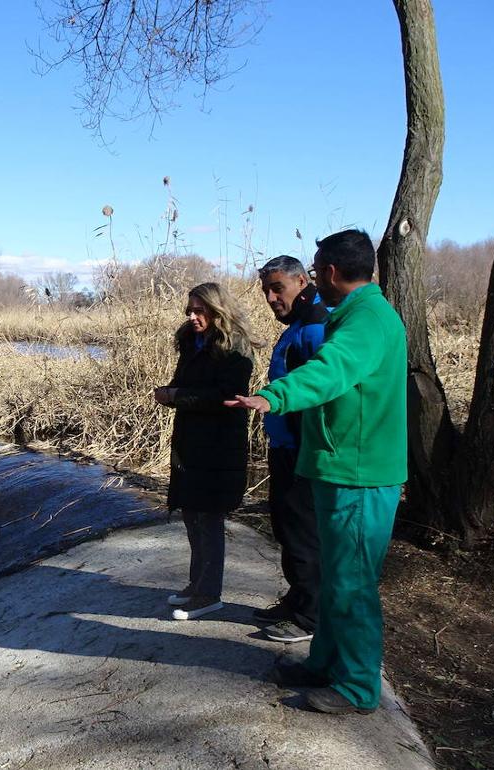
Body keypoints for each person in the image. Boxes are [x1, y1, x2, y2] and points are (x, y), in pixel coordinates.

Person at [226, 229, 407, 715]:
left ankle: (357, 687)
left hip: (359, 475)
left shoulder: (367, 321)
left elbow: (331, 370)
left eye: (315, 270)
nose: (313, 280)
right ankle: (325, 663)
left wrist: (274, 396)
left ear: (328, 271)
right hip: (340, 468)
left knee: (352, 584)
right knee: (336, 579)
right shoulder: (353, 315)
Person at [154, 282, 260, 621]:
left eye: (199, 310)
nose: (192, 316)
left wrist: (176, 396)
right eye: (190, 310)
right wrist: (171, 392)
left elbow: (228, 397)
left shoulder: (236, 347)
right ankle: (196, 583)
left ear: (217, 311)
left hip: (219, 444)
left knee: (209, 517)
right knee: (191, 513)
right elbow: (185, 384)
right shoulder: (191, 341)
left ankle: (209, 594)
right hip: (190, 440)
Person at [253, 256, 328, 644]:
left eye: (277, 288)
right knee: (286, 527)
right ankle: (297, 598)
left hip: (303, 449)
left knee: (303, 532)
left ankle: (309, 617)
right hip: (285, 445)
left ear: (302, 281)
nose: (270, 298)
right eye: (266, 290)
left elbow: (321, 389)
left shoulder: (315, 326)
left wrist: (306, 444)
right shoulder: (298, 324)